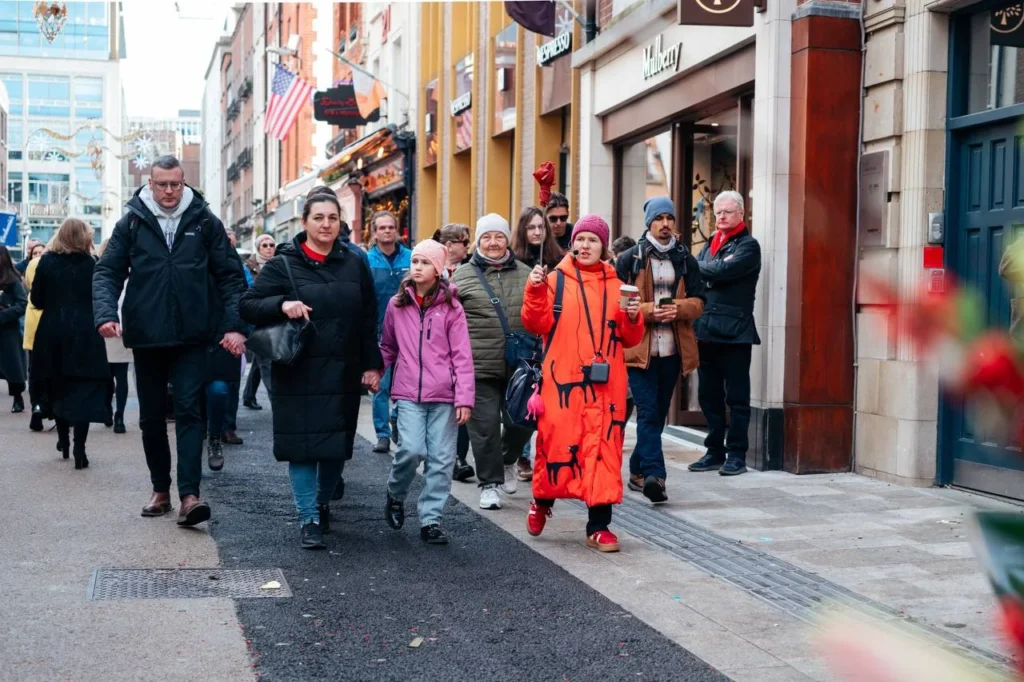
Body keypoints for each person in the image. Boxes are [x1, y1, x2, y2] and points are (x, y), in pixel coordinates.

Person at [93, 155, 246, 526]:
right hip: (146, 334)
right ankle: (160, 490)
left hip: (194, 334)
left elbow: (231, 276)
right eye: (161, 184)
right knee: (150, 417)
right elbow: (108, 271)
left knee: (191, 412)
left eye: (175, 184)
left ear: (184, 183)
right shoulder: (131, 221)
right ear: (149, 183)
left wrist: (234, 326)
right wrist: (106, 314)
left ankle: (190, 496)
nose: (168, 192)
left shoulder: (204, 220)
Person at [240, 186, 383, 550]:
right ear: (304, 223)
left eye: (332, 218)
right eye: (318, 218)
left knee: (336, 447)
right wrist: (282, 303)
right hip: (297, 371)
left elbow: (368, 317)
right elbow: (248, 304)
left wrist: (372, 365)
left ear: (341, 223)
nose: (326, 224)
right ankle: (308, 517)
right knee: (301, 448)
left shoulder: (355, 261)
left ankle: (321, 501)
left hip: (342, 371)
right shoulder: (283, 263)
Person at [521, 215, 644, 551]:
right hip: (562, 381)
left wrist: (634, 315)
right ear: (572, 243)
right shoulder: (553, 280)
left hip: (607, 384)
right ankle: (542, 500)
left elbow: (631, 339)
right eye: (582, 239)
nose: (586, 245)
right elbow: (534, 323)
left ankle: (598, 526)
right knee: (557, 442)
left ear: (603, 246)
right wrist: (533, 288)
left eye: (593, 240)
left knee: (603, 448)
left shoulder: (618, 285)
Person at [381, 239, 474, 545]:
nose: (417, 267)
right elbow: (389, 346)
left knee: (442, 460)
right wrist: (376, 371)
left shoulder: (452, 308)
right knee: (410, 450)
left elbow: (462, 355)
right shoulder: (397, 305)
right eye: (415, 261)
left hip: (444, 396)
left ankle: (431, 519)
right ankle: (395, 494)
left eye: (424, 263)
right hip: (408, 393)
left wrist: (464, 398)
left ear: (437, 270)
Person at [615, 196, 705, 503]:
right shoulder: (630, 259)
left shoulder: (685, 260)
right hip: (637, 352)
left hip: (672, 353)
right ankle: (656, 476)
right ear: (649, 223)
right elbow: (616, 305)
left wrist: (678, 309)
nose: (665, 224)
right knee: (649, 412)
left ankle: (637, 470)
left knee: (655, 415)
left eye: (669, 218)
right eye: (659, 219)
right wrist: (649, 311)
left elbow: (700, 302)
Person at [452, 214, 533, 510]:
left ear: (507, 239)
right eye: (487, 237)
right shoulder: (461, 277)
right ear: (477, 241)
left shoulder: (526, 274)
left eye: (499, 236)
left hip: (520, 365)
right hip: (478, 365)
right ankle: (489, 484)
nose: (493, 242)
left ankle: (509, 459)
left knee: (521, 421)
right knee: (483, 427)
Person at [689, 190, 761, 476]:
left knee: (738, 397)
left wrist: (702, 268)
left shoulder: (748, 246)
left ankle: (737, 455)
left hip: (736, 334)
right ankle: (714, 450)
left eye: (727, 212)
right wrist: (706, 269)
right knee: (709, 395)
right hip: (706, 332)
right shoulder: (710, 246)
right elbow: (703, 272)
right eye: (717, 212)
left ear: (741, 214)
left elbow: (718, 272)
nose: (721, 216)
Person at [31, 219, 111, 469]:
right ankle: (80, 448)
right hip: (86, 333)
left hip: (53, 332)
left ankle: (64, 440)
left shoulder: (46, 262)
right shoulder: (91, 264)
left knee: (57, 385)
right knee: (82, 390)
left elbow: (37, 299)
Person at [367, 210, 411, 454]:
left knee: (405, 387)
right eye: (381, 228)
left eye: (390, 227)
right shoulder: (367, 260)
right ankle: (382, 434)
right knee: (380, 387)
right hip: (378, 333)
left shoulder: (411, 258)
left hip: (407, 333)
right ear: (375, 232)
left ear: (397, 231)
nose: (386, 231)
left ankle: (397, 421)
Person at [95, 240, 132, 435]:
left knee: (108, 375)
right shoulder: (130, 272)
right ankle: (119, 415)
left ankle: (110, 411)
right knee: (120, 374)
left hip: (107, 325)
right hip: (122, 327)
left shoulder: (102, 272)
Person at [242, 233, 276, 411]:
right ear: (258, 248)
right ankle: (277, 404)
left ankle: (248, 395)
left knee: (259, 360)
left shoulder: (279, 264)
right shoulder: (248, 267)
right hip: (257, 320)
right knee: (267, 364)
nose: (269, 248)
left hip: (274, 318)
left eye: (271, 244)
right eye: (265, 245)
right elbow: (248, 293)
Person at [22, 243, 50, 431]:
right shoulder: (52, 262)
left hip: (33, 315)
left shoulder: (33, 264)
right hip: (51, 316)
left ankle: (36, 406)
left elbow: (29, 286)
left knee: (34, 368)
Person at [0, 245, 27, 413]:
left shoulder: (13, 281)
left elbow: (22, 304)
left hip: (7, 330)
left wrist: (4, 315)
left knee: (12, 367)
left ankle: (18, 398)